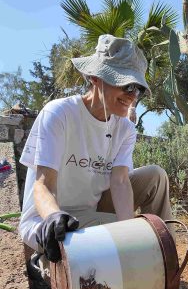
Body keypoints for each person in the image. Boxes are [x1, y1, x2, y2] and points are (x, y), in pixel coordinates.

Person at [19, 34, 174, 270]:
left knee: (155, 176)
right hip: (52, 219)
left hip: (92, 210)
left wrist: (127, 237)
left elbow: (120, 182)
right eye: (126, 84)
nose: (133, 95)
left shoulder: (125, 128)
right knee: (146, 236)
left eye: (138, 88)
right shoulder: (59, 114)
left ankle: (166, 267)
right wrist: (53, 216)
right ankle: (47, 263)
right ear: (95, 78)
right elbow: (43, 185)